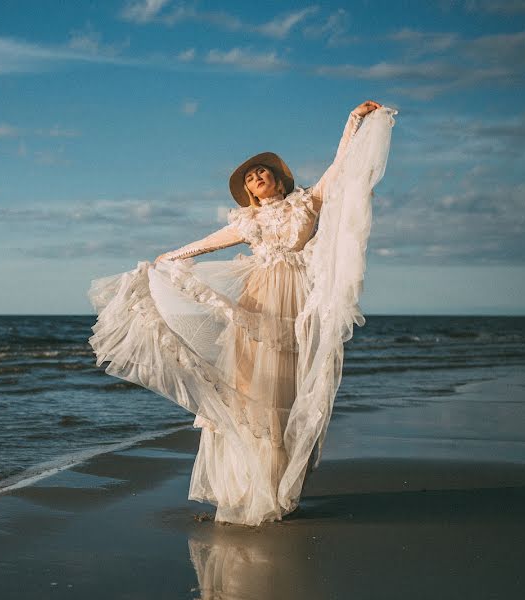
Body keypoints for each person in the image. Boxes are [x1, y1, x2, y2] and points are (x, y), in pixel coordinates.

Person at [88, 101, 397, 526]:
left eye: (261, 172)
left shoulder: (308, 203)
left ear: (277, 178)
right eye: (250, 178)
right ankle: (246, 488)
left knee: (282, 396)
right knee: (250, 392)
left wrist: (354, 121)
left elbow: (340, 167)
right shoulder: (247, 222)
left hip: (291, 306)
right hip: (255, 303)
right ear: (250, 192)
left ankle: (276, 489)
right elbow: (210, 241)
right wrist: (170, 256)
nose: (256, 178)